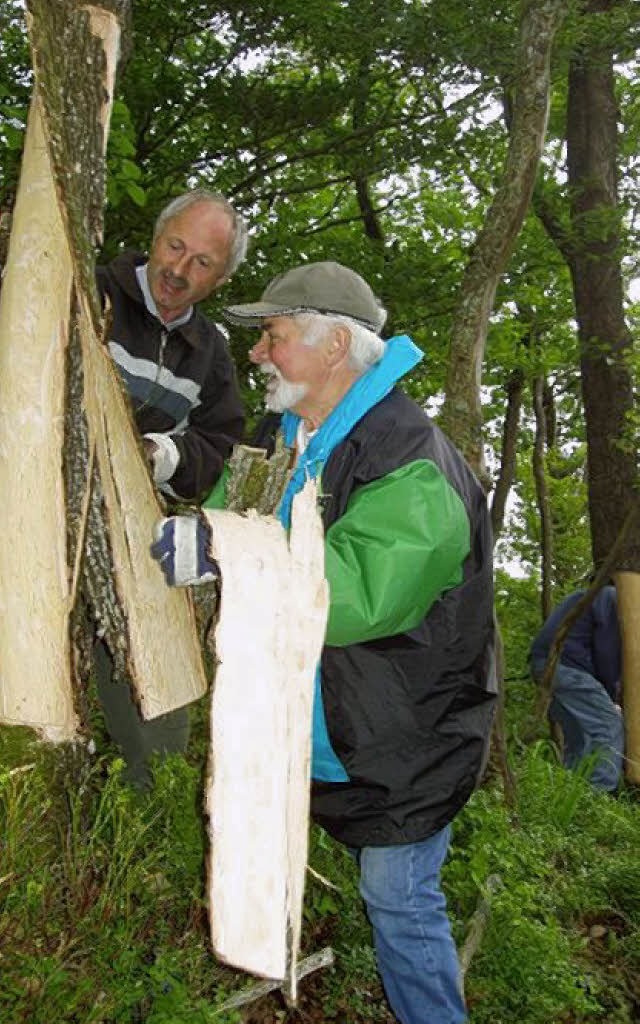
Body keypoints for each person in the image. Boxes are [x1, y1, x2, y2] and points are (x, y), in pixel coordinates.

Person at [151, 261, 497, 1024]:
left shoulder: (411, 457)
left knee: (398, 899)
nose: (258, 353)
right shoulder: (288, 441)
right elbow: (227, 520)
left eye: (274, 336)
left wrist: (223, 555)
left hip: (406, 733)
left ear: (335, 344)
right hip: (321, 729)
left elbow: (360, 590)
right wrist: (198, 536)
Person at [93, 189, 248, 788]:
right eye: (174, 246)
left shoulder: (210, 355)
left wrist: (163, 456)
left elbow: (220, 448)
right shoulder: (90, 289)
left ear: (218, 280)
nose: (178, 270)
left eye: (202, 263)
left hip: (132, 523)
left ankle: (143, 812)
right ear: (155, 237)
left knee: (159, 702)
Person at [529, 584, 624, 792]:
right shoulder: (612, 597)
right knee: (608, 725)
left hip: (547, 665)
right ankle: (597, 800)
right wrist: (610, 698)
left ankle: (570, 798)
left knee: (581, 739)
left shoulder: (590, 595)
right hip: (566, 666)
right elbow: (606, 655)